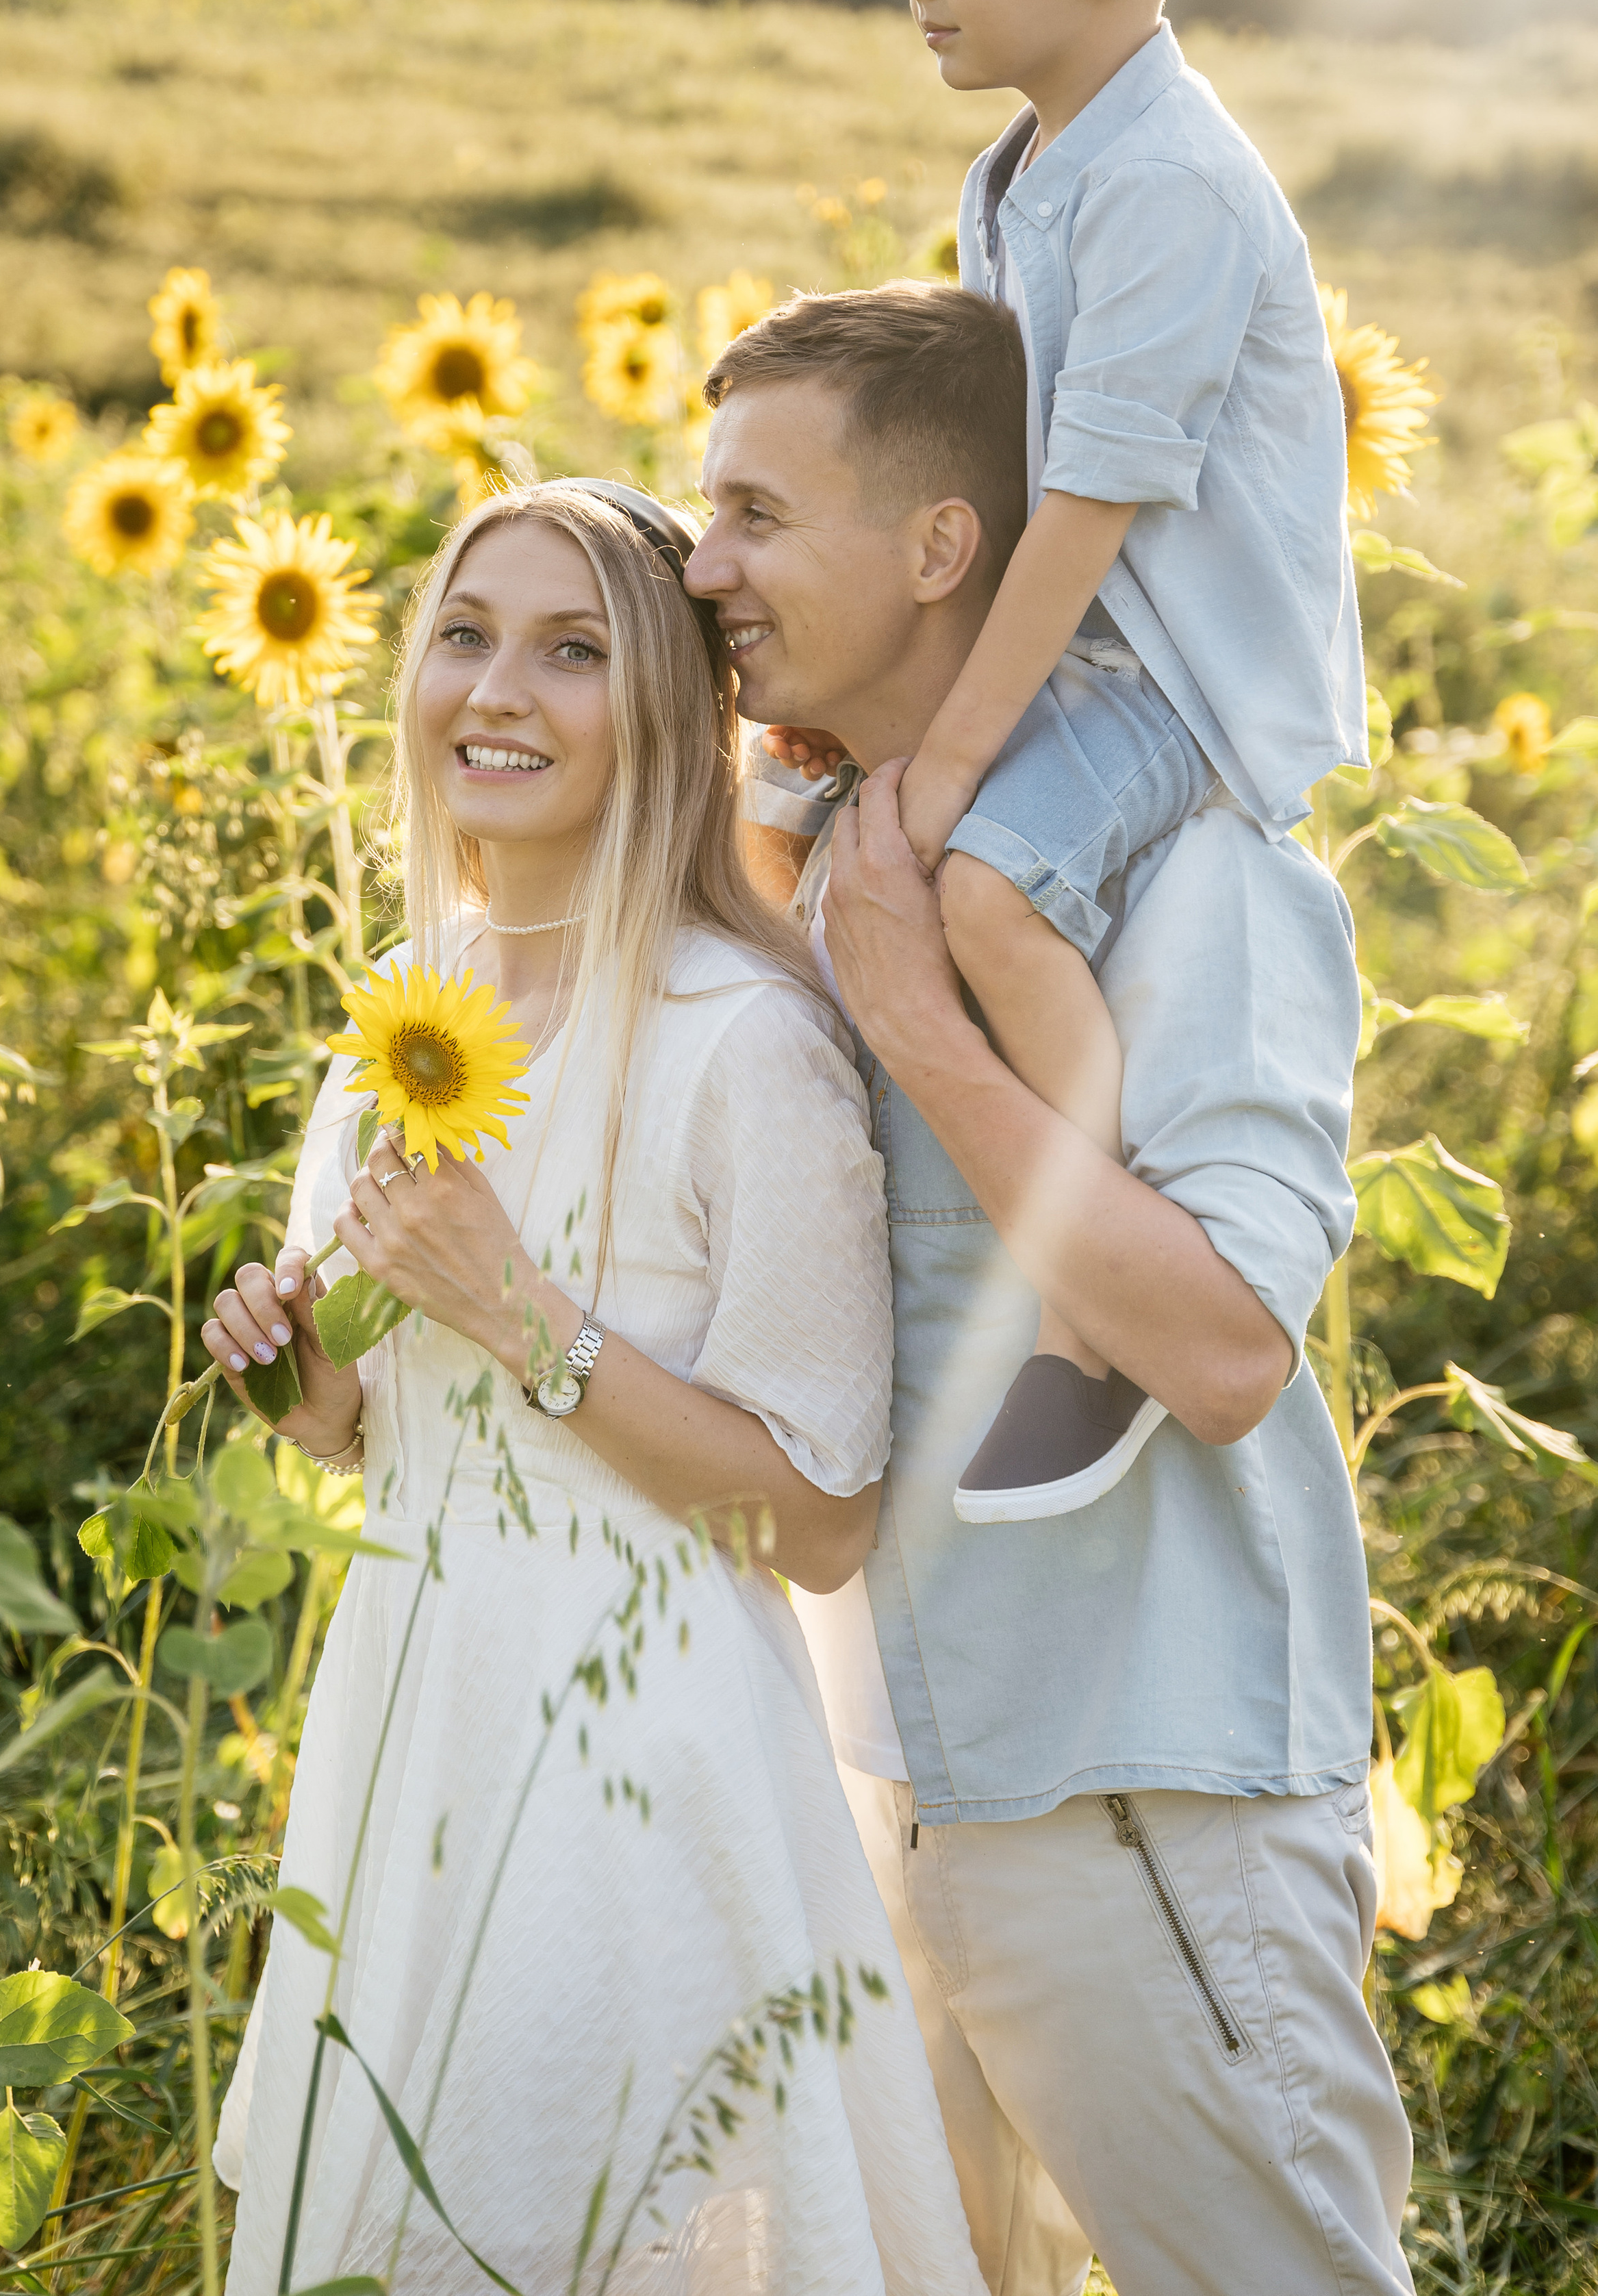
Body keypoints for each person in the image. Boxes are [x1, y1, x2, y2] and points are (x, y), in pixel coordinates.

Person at [688, 288, 1415, 2296]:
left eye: (757, 510)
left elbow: (1220, 1346)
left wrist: (930, 1030)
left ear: (939, 549)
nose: (706, 561)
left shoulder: (1203, 879)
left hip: (1134, 1805)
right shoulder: (824, 859)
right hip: (889, 1784)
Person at [202, 481, 988, 2295]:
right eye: (468, 636)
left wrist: (520, 1313)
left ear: (665, 716)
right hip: (415, 1726)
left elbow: (818, 1516)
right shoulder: (409, 1007)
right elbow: (377, 1441)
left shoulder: (748, 1040)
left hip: (647, 1769)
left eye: (573, 652)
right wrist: (303, 1380)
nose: (497, 690)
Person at [770, 0, 1364, 1517]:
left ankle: (1080, 1338)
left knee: (983, 886)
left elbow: (1094, 512)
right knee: (811, 830)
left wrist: (952, 763)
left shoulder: (1174, 181)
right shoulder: (1031, 167)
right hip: (1094, 638)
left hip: (1185, 672)